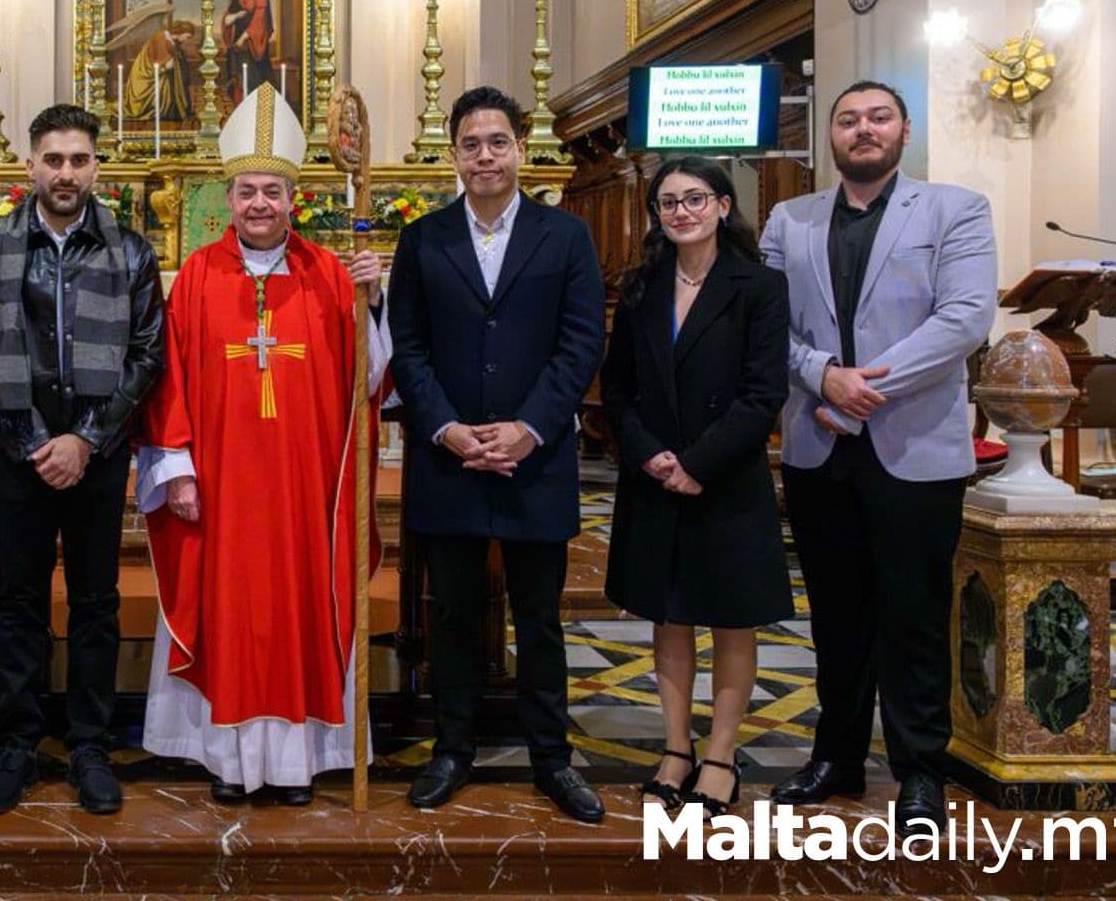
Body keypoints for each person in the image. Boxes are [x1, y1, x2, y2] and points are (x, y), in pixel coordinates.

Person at [136, 85, 388, 804]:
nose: (257, 204)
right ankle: (228, 760)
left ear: (292, 198)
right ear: (228, 196)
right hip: (221, 485)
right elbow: (169, 379)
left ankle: (297, 762)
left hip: (305, 488)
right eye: (246, 190)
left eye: (271, 191)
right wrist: (176, 469)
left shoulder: (331, 274)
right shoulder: (194, 278)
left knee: (302, 606)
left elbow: (366, 381)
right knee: (230, 608)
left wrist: (373, 306)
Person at [760, 80, 996, 836]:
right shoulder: (788, 219)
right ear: (831, 135)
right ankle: (835, 756)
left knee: (914, 616)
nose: (863, 130)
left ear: (903, 130)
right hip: (819, 441)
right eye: (848, 119)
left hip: (912, 445)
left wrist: (865, 387)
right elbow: (764, 323)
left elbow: (963, 318)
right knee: (835, 614)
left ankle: (919, 770)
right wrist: (821, 374)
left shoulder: (955, 210)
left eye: (878, 118)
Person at [386, 86, 605, 821]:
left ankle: (552, 757)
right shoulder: (423, 239)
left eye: (498, 142)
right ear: (453, 155)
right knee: (451, 612)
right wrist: (445, 427)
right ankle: (453, 750)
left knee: (539, 615)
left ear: (519, 149)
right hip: (448, 457)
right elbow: (408, 349)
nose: (486, 155)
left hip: (533, 458)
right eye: (472, 144)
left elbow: (581, 344)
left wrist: (530, 427)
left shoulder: (564, 235)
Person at [0, 104, 165, 815]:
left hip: (96, 455)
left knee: (96, 603)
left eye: (79, 160)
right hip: (19, 455)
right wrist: (35, 444)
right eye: (54, 159)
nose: (66, 172)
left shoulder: (130, 250)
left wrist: (86, 440)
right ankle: (17, 742)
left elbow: (147, 353)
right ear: (30, 165)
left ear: (96, 166)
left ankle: (89, 745)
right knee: (16, 603)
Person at [600, 156, 792, 817]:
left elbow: (763, 392)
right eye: (668, 203)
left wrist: (698, 463)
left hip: (726, 480)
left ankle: (719, 753)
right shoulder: (640, 287)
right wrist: (651, 454)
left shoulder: (760, 287)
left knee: (732, 621)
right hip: (654, 479)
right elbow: (617, 386)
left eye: (694, 199)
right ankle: (677, 747)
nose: (681, 211)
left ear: (721, 206)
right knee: (670, 614)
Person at [221, 0, 272, 105]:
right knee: (237, 74)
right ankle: (239, 104)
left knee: (252, 75)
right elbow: (232, 12)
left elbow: (260, 18)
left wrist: (244, 37)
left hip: (252, 40)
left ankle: (252, 105)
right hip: (237, 36)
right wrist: (233, 17)